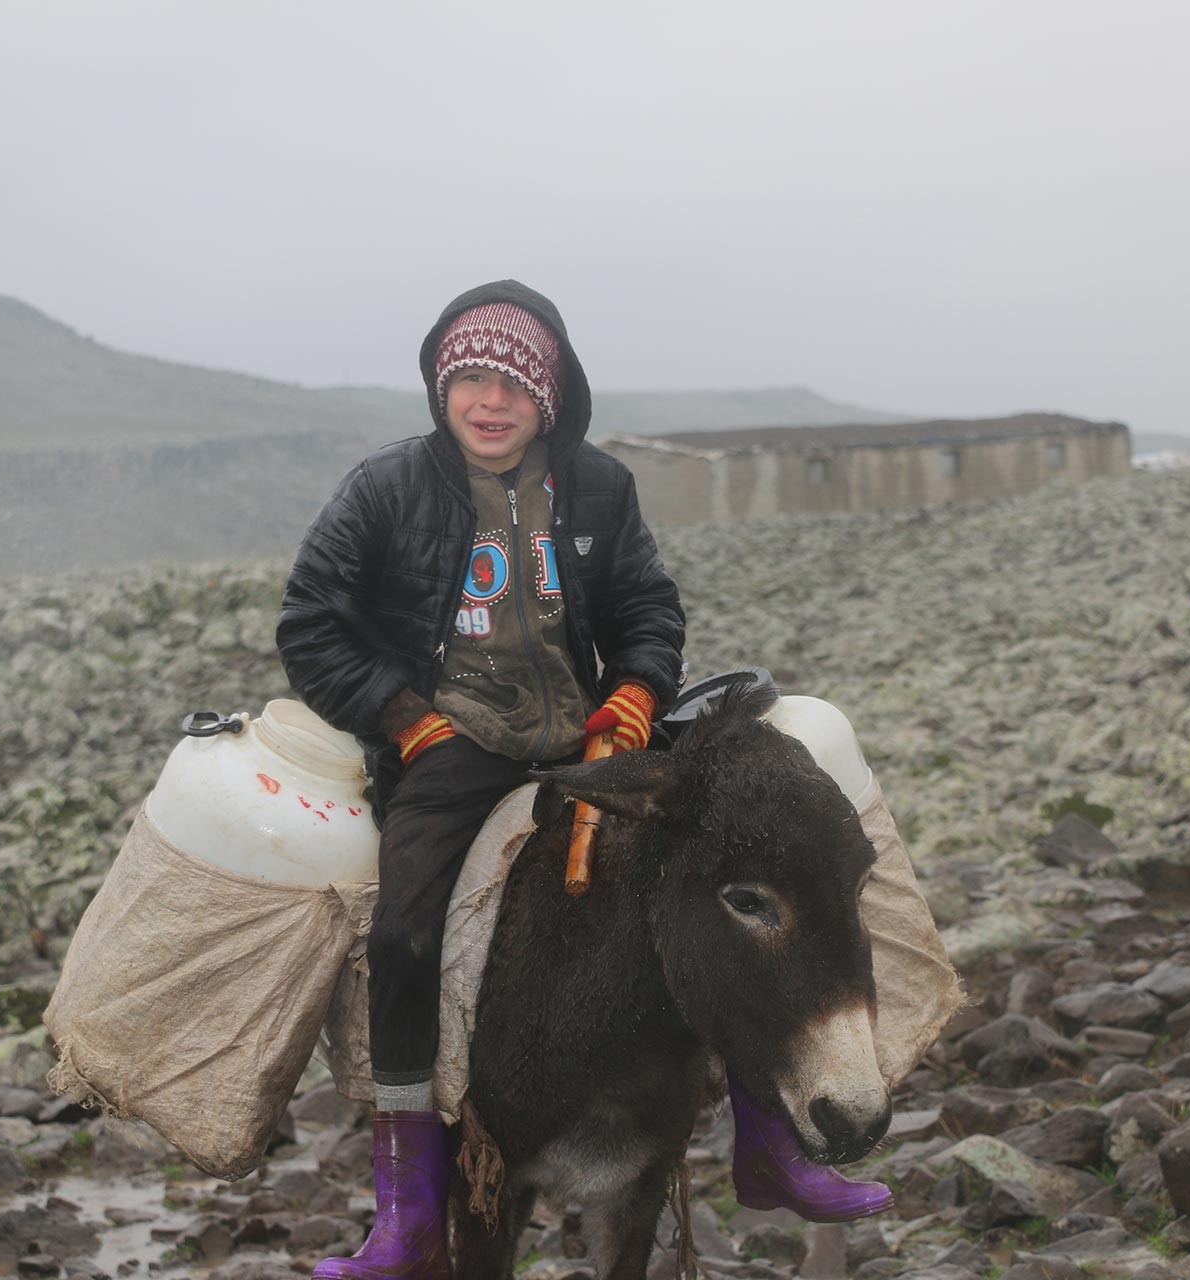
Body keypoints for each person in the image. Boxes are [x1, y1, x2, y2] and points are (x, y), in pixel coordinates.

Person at [277, 281, 892, 1280]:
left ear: (551, 399)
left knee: (757, 849)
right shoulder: (385, 488)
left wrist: (640, 695)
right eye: (468, 379)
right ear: (441, 387)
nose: (488, 401)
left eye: (512, 385)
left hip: (593, 730)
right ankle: (409, 1201)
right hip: (449, 743)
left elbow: (648, 601)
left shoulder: (598, 486)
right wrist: (407, 718)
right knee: (403, 928)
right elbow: (311, 621)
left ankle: (772, 1134)